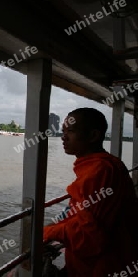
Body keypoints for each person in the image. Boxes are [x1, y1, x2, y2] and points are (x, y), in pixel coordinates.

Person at [43, 108, 138, 276]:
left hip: (102, 267)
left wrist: (48, 232)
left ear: (93, 136)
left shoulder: (99, 171)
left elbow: (89, 238)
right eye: (63, 131)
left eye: (71, 131)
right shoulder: (108, 164)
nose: (63, 137)